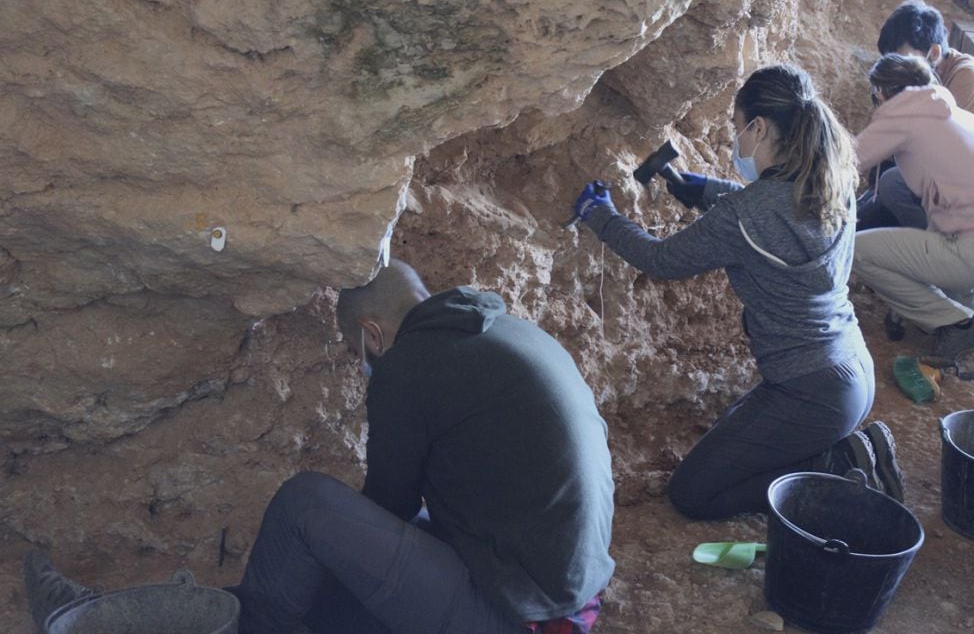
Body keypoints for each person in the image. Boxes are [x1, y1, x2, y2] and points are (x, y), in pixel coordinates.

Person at [24, 260, 616, 634]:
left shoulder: (412, 363)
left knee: (304, 506)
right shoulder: (505, 332)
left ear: (373, 334)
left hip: (517, 614)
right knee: (325, 600)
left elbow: (386, 504)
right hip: (561, 594)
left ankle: (218, 623)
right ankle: (225, 615)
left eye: (353, 349)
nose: (360, 364)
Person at [569, 64, 902, 522]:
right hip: (850, 371)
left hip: (809, 391)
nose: (735, 140)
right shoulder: (832, 178)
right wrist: (704, 190)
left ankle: (836, 466)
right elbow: (767, 212)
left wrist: (600, 215)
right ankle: (834, 448)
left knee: (693, 494)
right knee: (731, 435)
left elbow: (663, 260)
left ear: (759, 127)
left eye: (736, 128)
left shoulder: (747, 214)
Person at [852, 54, 974, 364]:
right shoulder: (953, 112)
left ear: (881, 92)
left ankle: (957, 324)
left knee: (857, 251)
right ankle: (971, 311)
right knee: (896, 183)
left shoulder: (900, 115)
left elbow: (844, 165)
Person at [860, 0, 974, 230]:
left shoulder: (967, 78)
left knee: (887, 191)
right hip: (938, 179)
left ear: (933, 52)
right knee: (866, 213)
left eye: (903, 59)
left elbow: (948, 158)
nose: (896, 69)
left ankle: (941, 243)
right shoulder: (920, 80)